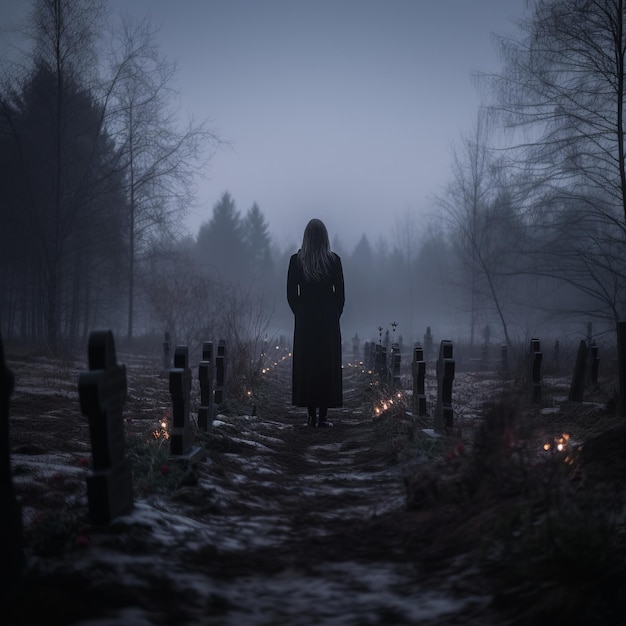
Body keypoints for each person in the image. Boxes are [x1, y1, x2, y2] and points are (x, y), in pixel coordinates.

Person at [287, 219, 345, 426]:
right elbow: (340, 295)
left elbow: (291, 295)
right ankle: (323, 416)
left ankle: (311, 415)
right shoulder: (334, 261)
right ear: (325, 237)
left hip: (306, 320)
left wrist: (300, 313)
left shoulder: (296, 261)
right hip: (328, 320)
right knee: (325, 365)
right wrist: (333, 314)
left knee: (308, 365)